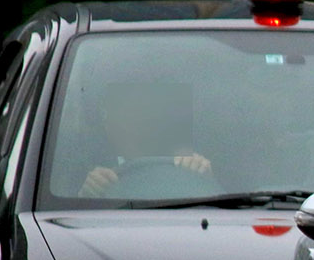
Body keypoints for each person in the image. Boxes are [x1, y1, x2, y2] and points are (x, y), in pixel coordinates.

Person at [78, 82, 213, 197]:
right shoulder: (82, 162)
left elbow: (217, 208)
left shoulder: (185, 160)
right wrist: (86, 194)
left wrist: (203, 176)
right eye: (108, 114)